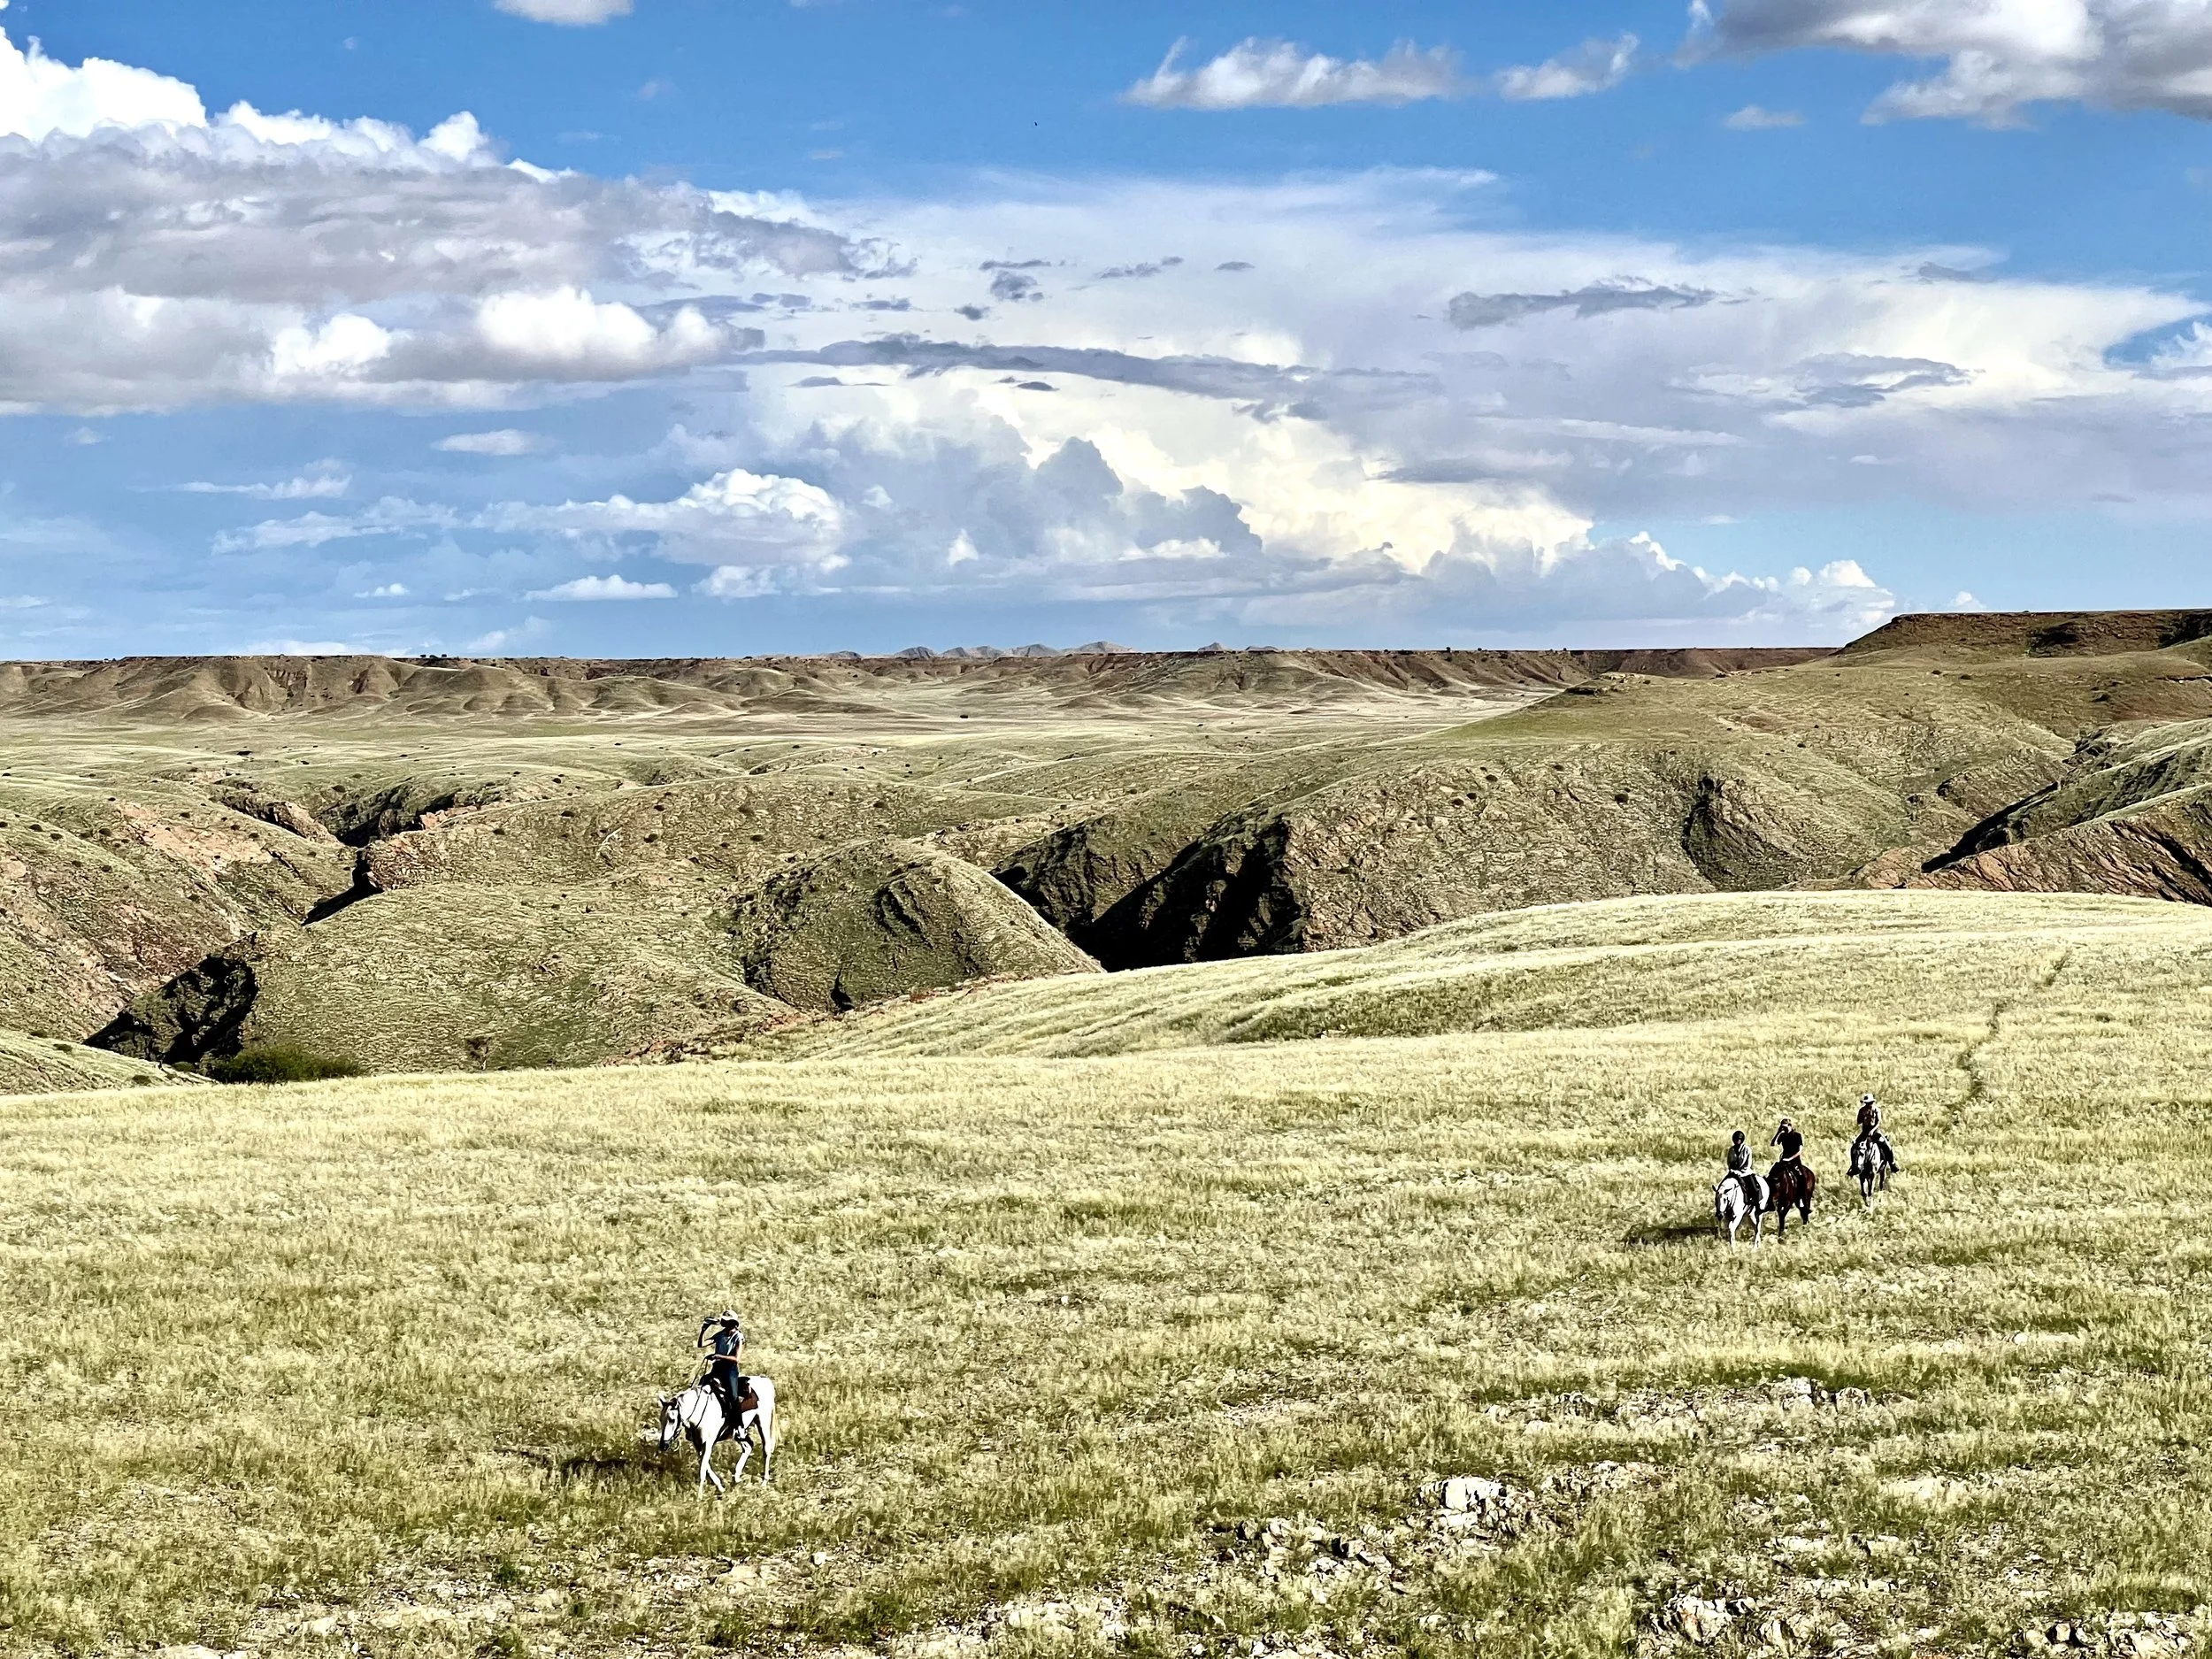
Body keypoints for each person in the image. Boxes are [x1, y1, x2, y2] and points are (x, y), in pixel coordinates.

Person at [696, 1311, 747, 1417]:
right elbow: (701, 1344)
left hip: (730, 1370)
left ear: (732, 1323)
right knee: (702, 1384)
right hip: (718, 1368)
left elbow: (736, 1359)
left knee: (733, 1396)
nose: (723, 1323)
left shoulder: (738, 1337)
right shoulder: (721, 1335)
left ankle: (738, 1424)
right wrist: (704, 1330)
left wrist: (718, 1356)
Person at [1853, 1093, 1898, 1173]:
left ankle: (1892, 1163)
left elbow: (1878, 1122)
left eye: (1870, 1103)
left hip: (1875, 1131)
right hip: (1865, 1132)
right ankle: (1854, 1166)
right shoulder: (1862, 1110)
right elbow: (1859, 1121)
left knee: (1886, 1145)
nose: (1868, 1104)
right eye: (1867, 1103)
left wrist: (1872, 1130)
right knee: (1855, 1147)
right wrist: (1863, 1118)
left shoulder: (1876, 1110)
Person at [1769, 1116, 1805, 1182]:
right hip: (1784, 1159)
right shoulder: (1783, 1135)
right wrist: (1778, 1132)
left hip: (1795, 1161)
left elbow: (1799, 1151)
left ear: (1790, 1126)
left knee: (1801, 1177)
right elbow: (1773, 1144)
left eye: (1785, 1127)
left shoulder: (1797, 1136)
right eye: (1782, 1127)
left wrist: (1789, 1159)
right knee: (1772, 1174)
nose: (1784, 1129)